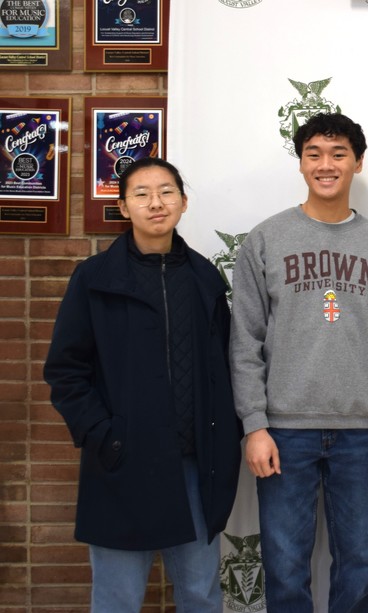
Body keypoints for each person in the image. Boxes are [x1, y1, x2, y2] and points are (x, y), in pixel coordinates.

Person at [229, 112, 368, 613]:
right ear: (301, 163)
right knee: (285, 567)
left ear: (358, 162)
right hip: (284, 430)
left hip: (362, 433)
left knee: (357, 566)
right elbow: (245, 341)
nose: (326, 165)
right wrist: (254, 425)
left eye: (337, 154)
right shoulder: (265, 240)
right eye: (314, 154)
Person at [43, 157, 242, 612]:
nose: (157, 203)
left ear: (184, 202)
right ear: (123, 207)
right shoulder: (94, 279)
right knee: (117, 600)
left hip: (196, 467)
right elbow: (65, 371)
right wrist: (103, 436)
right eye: (142, 194)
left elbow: (226, 365)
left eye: (167, 191)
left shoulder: (205, 278)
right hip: (122, 464)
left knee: (200, 595)